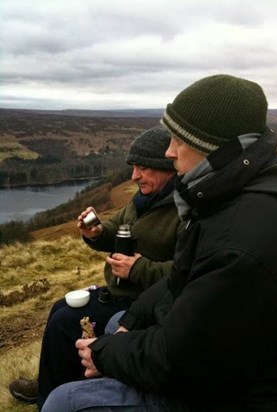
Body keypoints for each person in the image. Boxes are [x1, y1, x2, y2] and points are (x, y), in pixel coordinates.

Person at [41, 74, 277, 412]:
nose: (169, 152)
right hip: (231, 357)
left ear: (209, 146)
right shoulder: (233, 195)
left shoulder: (236, 236)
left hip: (253, 393)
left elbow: (183, 359)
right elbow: (185, 278)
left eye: (177, 141)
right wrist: (132, 318)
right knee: (103, 322)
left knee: (64, 403)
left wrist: (106, 353)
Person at [9, 126, 181, 409]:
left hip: (140, 303)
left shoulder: (180, 210)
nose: (134, 176)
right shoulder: (143, 201)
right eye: (133, 167)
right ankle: (53, 381)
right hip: (119, 292)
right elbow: (117, 228)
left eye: (143, 168)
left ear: (167, 167)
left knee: (64, 322)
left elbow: (185, 273)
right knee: (59, 307)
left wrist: (138, 270)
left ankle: (53, 399)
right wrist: (98, 233)